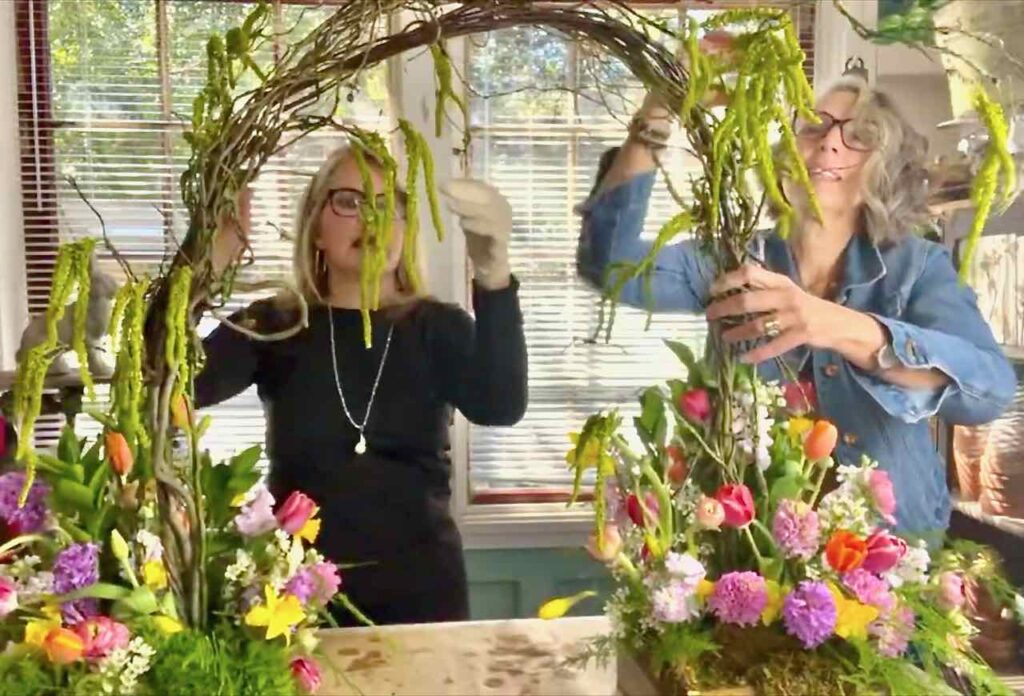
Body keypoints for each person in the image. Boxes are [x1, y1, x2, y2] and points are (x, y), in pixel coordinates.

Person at [576, 57, 1016, 544]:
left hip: (893, 553)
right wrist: (658, 110)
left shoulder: (918, 267)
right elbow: (611, 268)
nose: (829, 141)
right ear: (782, 154)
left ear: (884, 168)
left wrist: (835, 325)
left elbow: (988, 393)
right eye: (813, 127)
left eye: (859, 135)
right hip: (750, 552)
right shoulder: (732, 259)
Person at [195, 146, 528, 625]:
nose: (371, 221)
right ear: (315, 226)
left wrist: (494, 278)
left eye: (388, 205)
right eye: (350, 202)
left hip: (423, 592)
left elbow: (502, 404)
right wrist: (206, 265)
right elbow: (168, 381)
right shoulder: (274, 324)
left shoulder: (437, 327)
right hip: (298, 597)